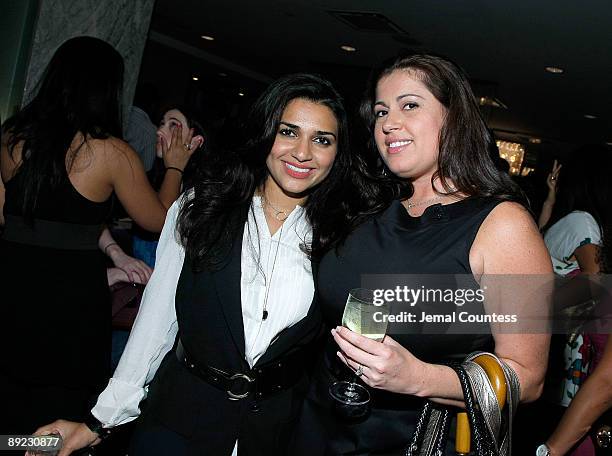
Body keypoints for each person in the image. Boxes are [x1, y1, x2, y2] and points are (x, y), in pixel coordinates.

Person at [35, 73, 353, 455]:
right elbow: (157, 321)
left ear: (337, 153)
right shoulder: (201, 207)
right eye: (288, 131)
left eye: (322, 139)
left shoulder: (340, 236)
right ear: (265, 132)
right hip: (179, 423)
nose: (302, 152)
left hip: (273, 434)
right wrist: (101, 420)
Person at [292, 53, 552, 455]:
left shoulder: (503, 226)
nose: (388, 123)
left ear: (454, 117)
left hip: (413, 440)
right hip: (317, 425)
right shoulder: (366, 205)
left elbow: (528, 379)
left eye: (409, 105)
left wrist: (418, 378)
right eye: (380, 112)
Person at [0, 36, 194, 437]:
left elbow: (12, 217)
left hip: (12, 288)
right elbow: (158, 220)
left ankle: (8, 446)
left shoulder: (11, 137)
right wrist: (174, 166)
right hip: (68, 305)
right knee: (59, 412)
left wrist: (109, 253)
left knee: (9, 399)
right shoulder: (111, 153)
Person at [536, 146, 612, 456]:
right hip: (570, 361)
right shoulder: (583, 223)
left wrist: (549, 200)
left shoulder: (565, 221)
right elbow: (598, 289)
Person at [131, 106, 206, 268]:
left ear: (195, 142)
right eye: (162, 123)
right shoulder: (149, 176)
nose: (159, 132)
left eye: (173, 125)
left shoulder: (202, 193)